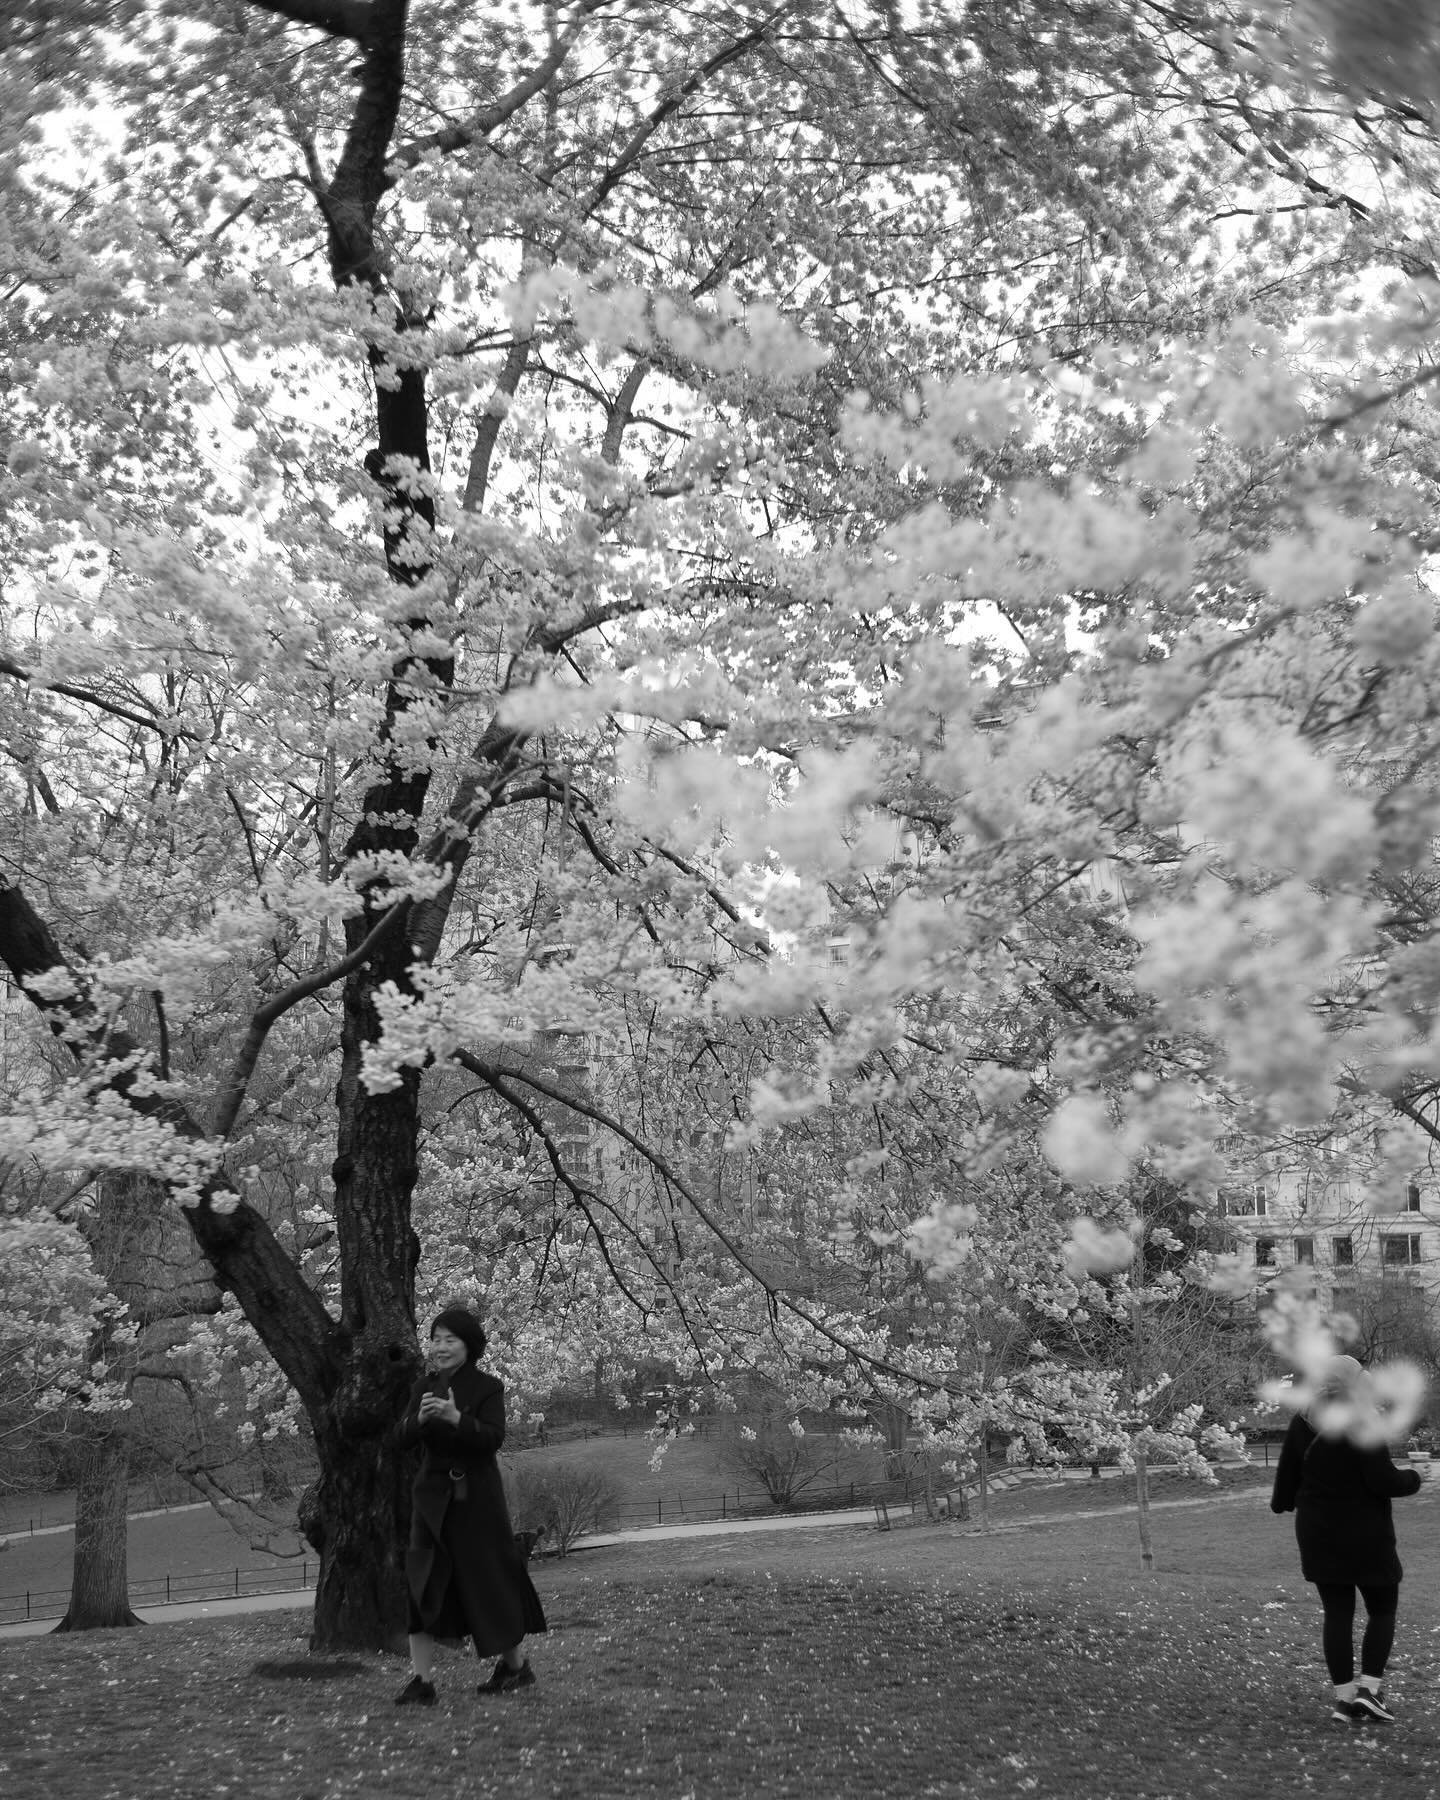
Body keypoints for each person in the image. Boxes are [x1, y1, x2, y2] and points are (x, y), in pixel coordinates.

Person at [393, 1306, 547, 1705]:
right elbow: (399, 1439)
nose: (440, 1347)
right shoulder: (423, 1387)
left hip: (476, 1499)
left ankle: (515, 1666)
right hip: (431, 1499)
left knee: (488, 1581)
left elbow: (492, 1439)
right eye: (436, 1339)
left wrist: (456, 1417)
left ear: (469, 1345)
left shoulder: (487, 1387)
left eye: (450, 1339)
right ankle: (421, 1682)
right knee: (422, 1580)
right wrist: (421, 1420)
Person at [1270, 1353, 1422, 1725]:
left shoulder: (1302, 1420)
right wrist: (1415, 1478)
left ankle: (1343, 1700)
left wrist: (1294, 1499)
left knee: (1337, 1613)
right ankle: (1369, 1691)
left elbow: (1283, 1491)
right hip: (1365, 1534)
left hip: (1318, 1535)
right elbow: (1382, 1480)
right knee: (1382, 1608)